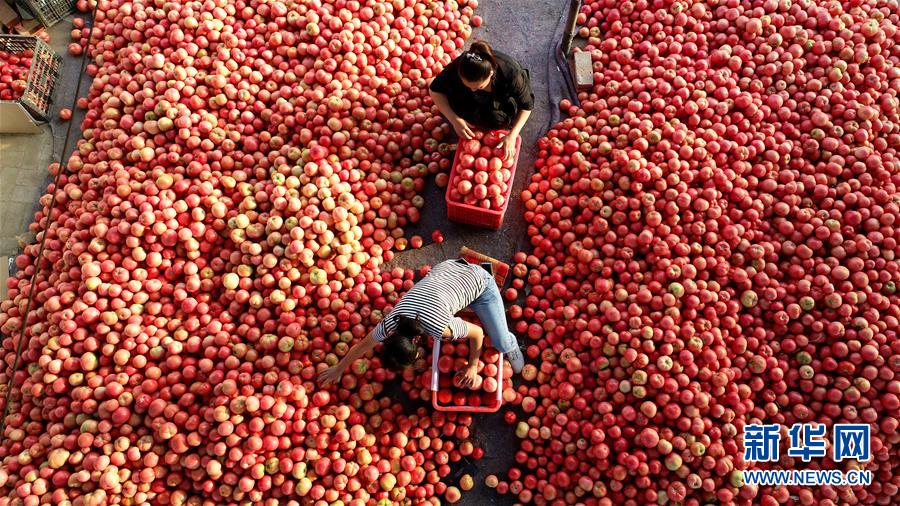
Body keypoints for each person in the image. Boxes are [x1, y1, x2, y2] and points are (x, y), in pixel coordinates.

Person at [318, 258, 524, 387]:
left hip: (480, 282)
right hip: (446, 267)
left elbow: (477, 332)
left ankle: (510, 343)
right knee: (454, 305)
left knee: (500, 343)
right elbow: (364, 345)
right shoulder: (392, 320)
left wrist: (472, 365)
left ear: (416, 347)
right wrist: (339, 368)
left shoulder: (439, 328)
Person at [429, 40, 534, 161]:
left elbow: (527, 106)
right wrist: (454, 119)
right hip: (470, 98)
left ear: (491, 73)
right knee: (455, 100)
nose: (473, 90)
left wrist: (512, 135)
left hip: (500, 100)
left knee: (497, 119)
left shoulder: (512, 74)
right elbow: (434, 90)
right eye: (467, 85)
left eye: (479, 86)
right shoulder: (461, 66)